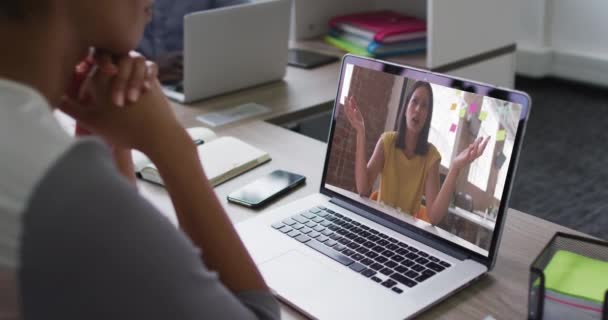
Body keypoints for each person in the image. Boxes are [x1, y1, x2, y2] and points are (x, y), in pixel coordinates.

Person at [0, 1, 278, 319]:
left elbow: (115, 277)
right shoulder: (57, 186)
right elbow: (257, 313)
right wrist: (172, 146)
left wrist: (108, 139)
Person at [344, 81, 489, 226]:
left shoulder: (431, 156)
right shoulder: (387, 142)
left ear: (427, 116)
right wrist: (360, 132)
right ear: (406, 107)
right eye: (414, 102)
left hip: (406, 232)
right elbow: (363, 189)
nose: (418, 109)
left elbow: (434, 217)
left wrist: (455, 168)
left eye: (424, 105)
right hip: (379, 224)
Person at [138, 0, 248, 82]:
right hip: (136, 83)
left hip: (202, 81)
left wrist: (200, 64)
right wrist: (148, 67)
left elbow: (239, 32)